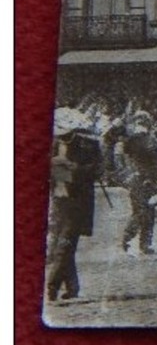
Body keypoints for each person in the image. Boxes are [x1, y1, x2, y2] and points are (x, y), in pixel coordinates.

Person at [46, 110, 102, 303]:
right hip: (57, 201)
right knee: (64, 245)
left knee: (64, 244)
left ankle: (51, 287)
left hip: (77, 203)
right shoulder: (52, 144)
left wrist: (71, 170)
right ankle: (72, 287)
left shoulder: (88, 145)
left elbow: (97, 170)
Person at [118, 111, 157, 254]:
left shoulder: (132, 139)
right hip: (145, 179)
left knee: (143, 211)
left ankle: (138, 242)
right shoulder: (148, 139)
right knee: (143, 212)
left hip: (139, 179)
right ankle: (133, 240)